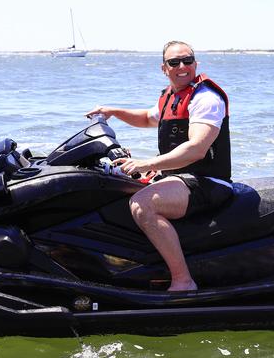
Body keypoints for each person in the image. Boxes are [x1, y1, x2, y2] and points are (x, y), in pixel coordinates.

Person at [86, 40, 232, 291]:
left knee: (143, 205)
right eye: (174, 62)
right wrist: (113, 111)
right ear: (164, 68)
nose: (182, 66)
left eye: (187, 60)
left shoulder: (206, 98)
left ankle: (183, 281)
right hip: (180, 179)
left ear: (195, 63)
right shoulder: (170, 97)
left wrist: (146, 164)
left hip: (207, 182)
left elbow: (197, 149)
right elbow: (146, 118)